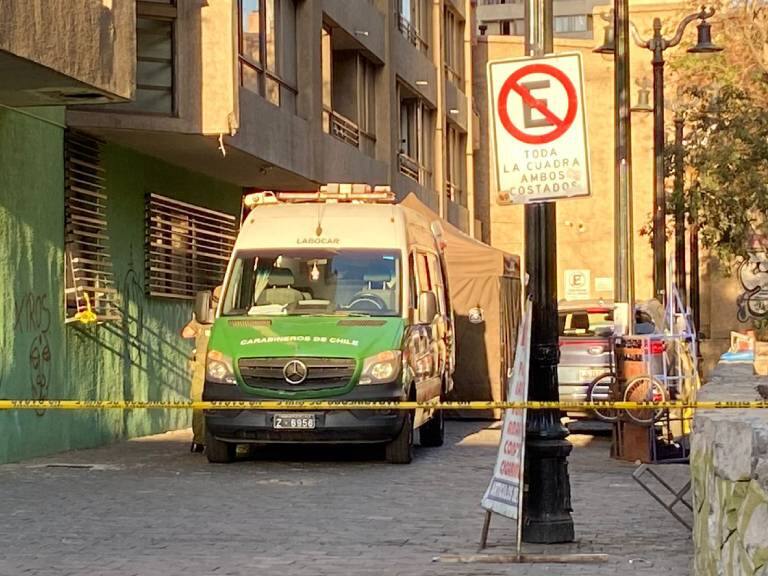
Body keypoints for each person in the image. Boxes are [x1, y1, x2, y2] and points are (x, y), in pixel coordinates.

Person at [181, 286, 221, 453]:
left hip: (202, 367)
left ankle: (199, 440)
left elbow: (186, 333)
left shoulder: (202, 317)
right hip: (222, 367)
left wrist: (198, 326)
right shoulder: (231, 315)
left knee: (199, 403)